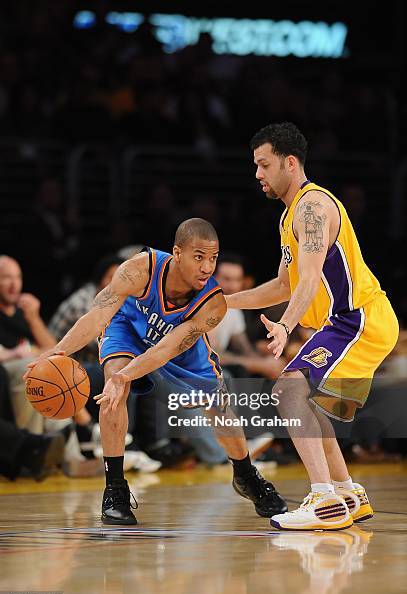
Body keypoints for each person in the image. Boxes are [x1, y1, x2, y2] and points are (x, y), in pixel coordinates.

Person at [25, 218, 287, 525]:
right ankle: (115, 489)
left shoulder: (212, 304)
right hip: (128, 329)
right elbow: (98, 315)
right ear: (177, 253)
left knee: (219, 405)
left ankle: (245, 474)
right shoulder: (140, 268)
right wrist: (58, 351)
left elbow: (164, 351)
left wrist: (125, 376)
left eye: (212, 259)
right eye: (198, 257)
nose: (206, 267)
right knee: (114, 389)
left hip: (181, 346)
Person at [226, 122, 399, 531]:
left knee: (288, 390)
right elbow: (284, 284)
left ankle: (323, 501)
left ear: (290, 162)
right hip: (346, 322)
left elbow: (307, 280)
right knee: (304, 399)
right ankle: (345, 494)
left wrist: (286, 325)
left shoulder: (312, 207)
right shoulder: (291, 215)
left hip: (357, 319)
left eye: (264, 165)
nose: (258, 175)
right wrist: (223, 302)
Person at [0, 255, 56, 433]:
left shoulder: (24, 312)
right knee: (30, 369)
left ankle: (71, 453)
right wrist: (16, 353)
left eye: (18, 277)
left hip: (29, 366)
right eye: (7, 277)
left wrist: (34, 318)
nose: (14, 284)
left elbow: (54, 349)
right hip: (9, 369)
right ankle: (32, 445)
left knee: (58, 365)